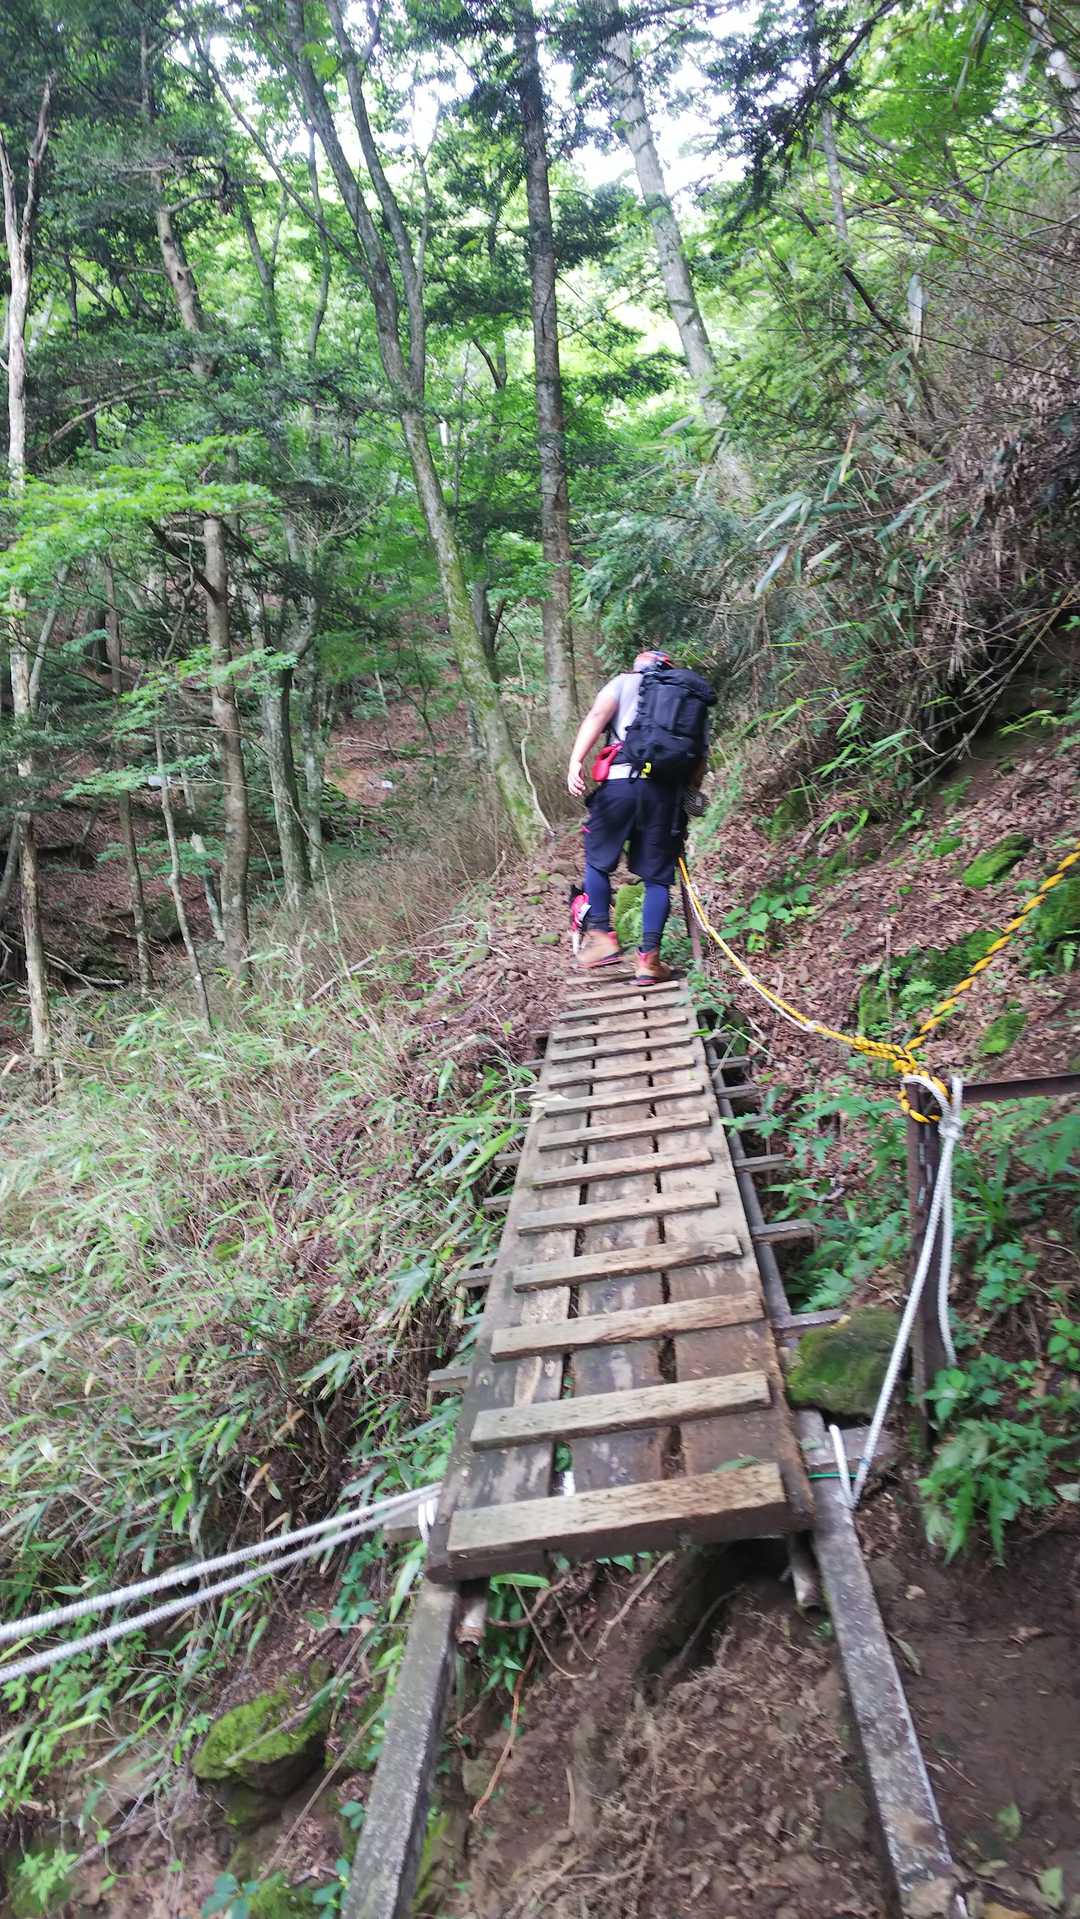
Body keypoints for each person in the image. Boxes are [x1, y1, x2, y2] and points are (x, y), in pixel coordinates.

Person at [567, 648, 709, 983]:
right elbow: (699, 757)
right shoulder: (687, 700)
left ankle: (602, 937)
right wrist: (688, 793)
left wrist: (576, 761)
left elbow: (597, 716)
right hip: (664, 797)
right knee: (657, 879)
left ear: (637, 667)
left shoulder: (623, 683)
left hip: (619, 786)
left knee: (597, 861)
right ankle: (648, 961)